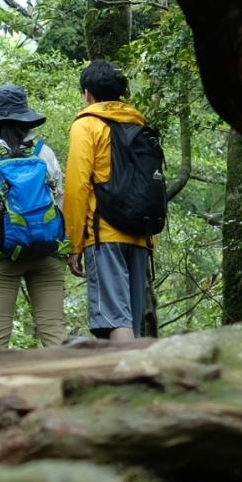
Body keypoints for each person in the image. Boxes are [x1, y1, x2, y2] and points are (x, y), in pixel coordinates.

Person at [0, 84, 68, 348]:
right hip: (47, 251)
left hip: (2, 253)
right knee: (54, 331)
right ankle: (72, 386)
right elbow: (60, 199)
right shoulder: (43, 152)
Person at [64, 60, 153, 343]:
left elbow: (77, 185)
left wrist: (74, 242)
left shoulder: (87, 125)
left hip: (104, 233)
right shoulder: (139, 124)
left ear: (87, 93)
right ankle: (135, 378)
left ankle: (125, 383)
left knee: (115, 319)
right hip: (140, 234)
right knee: (131, 322)